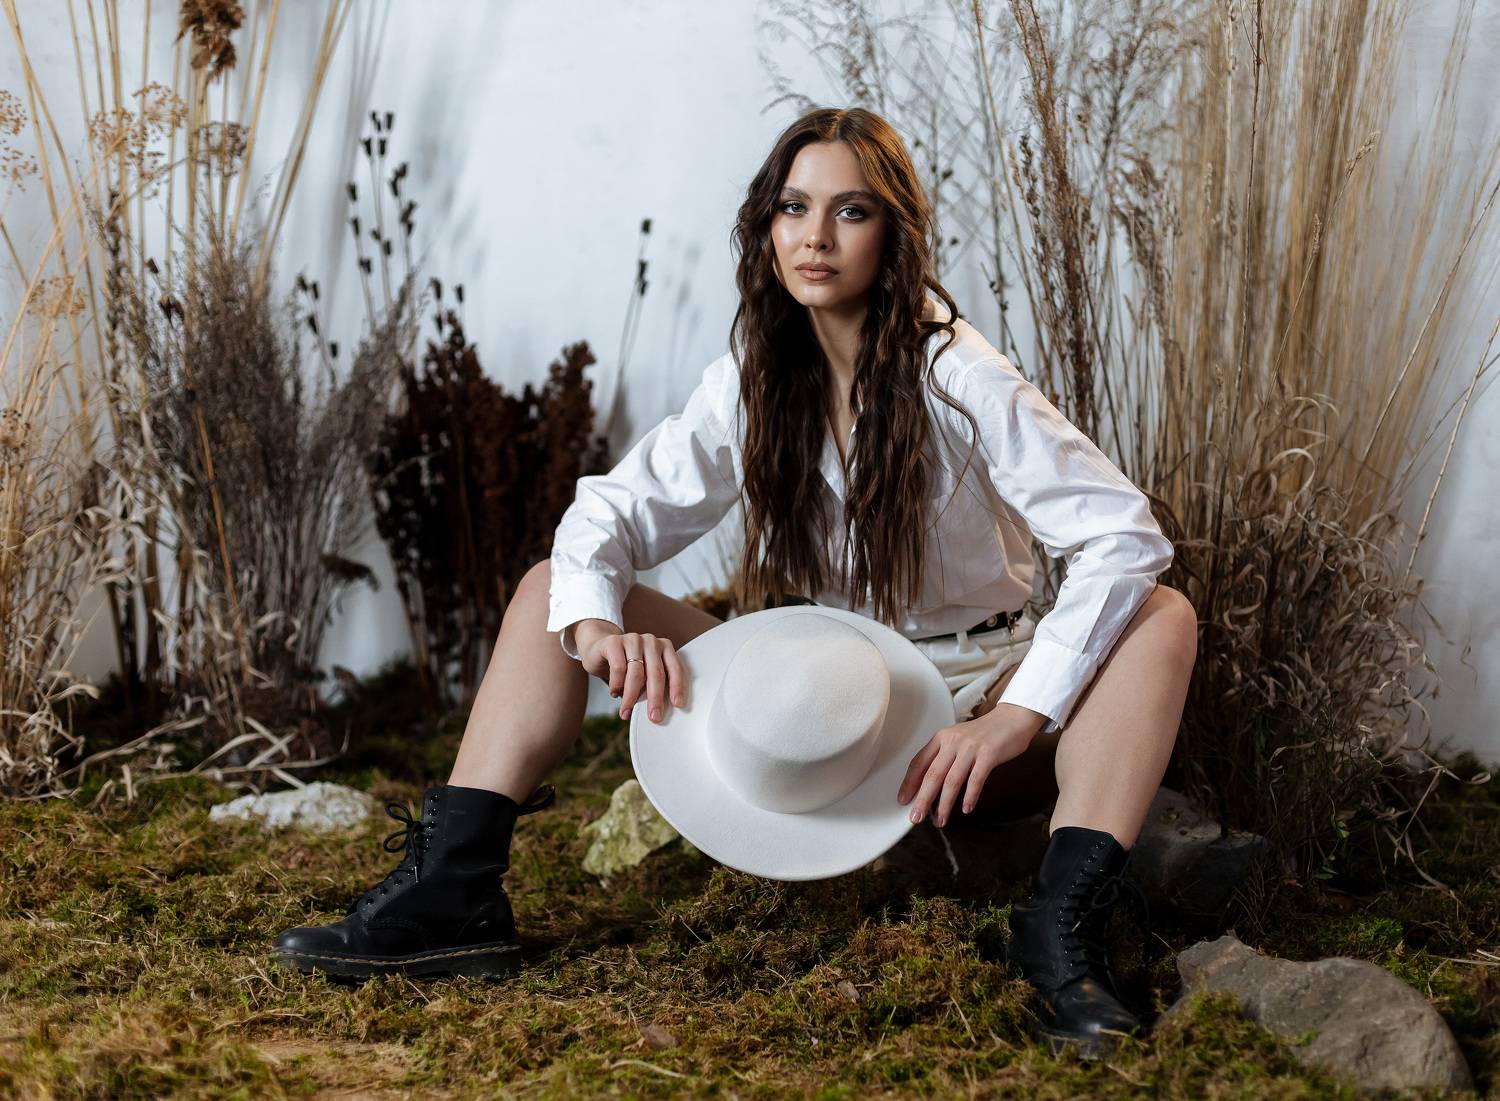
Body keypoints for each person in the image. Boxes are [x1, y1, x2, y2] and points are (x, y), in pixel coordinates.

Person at [273, 106, 1197, 1057]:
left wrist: (1017, 715)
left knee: (1161, 615)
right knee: (557, 586)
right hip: (820, 699)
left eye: (851, 211)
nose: (816, 236)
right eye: (794, 208)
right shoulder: (757, 375)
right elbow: (606, 517)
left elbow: (1124, 536)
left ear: (895, 233)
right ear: (766, 226)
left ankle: (1059, 937)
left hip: (976, 712)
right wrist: (597, 634)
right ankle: (454, 894)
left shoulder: (960, 373)